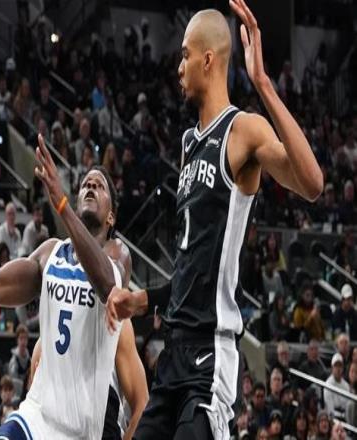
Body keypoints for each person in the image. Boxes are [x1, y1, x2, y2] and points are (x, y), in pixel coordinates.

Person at [106, 2, 323, 437]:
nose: (179, 66)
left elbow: (312, 183)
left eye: (185, 55)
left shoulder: (242, 130)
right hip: (173, 355)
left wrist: (263, 84)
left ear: (208, 60)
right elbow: (192, 266)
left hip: (211, 354)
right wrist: (141, 301)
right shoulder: (188, 144)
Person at [0, 133, 145, 440]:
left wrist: (62, 206)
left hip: (83, 428)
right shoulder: (50, 253)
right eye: (86, 184)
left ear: (111, 216)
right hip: (37, 415)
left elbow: (108, 286)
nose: (90, 186)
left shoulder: (118, 254)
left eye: (99, 186)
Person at [324, 353, 350, 420]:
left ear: (343, 368)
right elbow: (329, 408)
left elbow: (347, 406)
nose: (338, 369)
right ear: (332, 368)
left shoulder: (346, 385)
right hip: (333, 417)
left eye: (340, 366)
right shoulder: (328, 384)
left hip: (344, 417)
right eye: (336, 366)